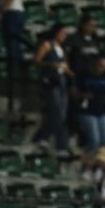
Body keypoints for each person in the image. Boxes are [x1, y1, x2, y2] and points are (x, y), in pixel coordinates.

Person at [32, 23, 71, 156]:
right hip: (51, 80)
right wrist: (50, 64)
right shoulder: (47, 45)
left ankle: (42, 136)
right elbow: (37, 60)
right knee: (57, 111)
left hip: (62, 80)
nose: (64, 36)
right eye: (63, 33)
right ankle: (62, 146)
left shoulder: (63, 49)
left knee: (61, 113)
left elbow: (66, 67)